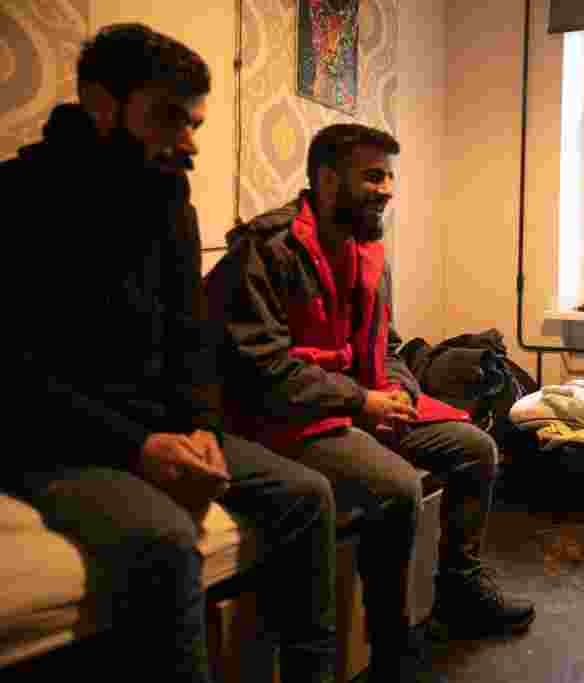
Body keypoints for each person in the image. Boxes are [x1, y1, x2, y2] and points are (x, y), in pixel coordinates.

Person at [1, 24, 339, 683]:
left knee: (308, 495)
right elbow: (17, 375)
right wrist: (138, 447)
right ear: (101, 103)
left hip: (160, 428)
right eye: (168, 119)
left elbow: (194, 342)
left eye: (194, 123)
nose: (189, 143)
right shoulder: (19, 199)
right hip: (58, 442)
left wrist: (203, 428)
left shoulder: (170, 202)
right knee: (167, 542)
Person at [204, 124, 536, 647]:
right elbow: (263, 370)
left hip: (358, 401)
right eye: (374, 176)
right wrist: (360, 401)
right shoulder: (265, 252)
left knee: (476, 448)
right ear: (327, 179)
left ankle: (459, 590)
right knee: (398, 486)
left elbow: (388, 345)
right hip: (286, 414)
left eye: (389, 177)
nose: (387, 190)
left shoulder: (368, 252)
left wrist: (400, 391)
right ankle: (390, 638)